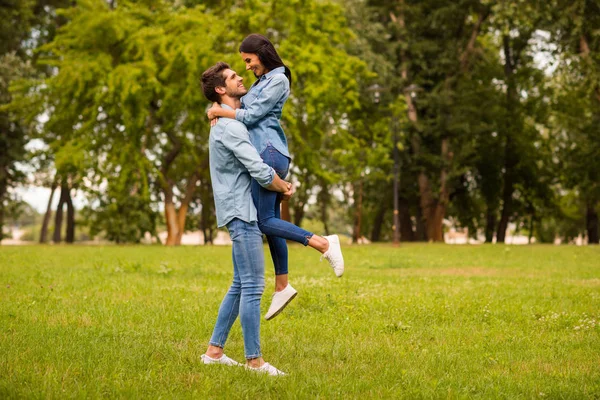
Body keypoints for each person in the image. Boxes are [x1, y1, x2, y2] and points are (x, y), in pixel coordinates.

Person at [207, 34, 344, 321]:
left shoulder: (279, 80)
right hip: (263, 152)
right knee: (270, 222)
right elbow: (240, 109)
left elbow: (252, 115)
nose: (246, 67)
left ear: (261, 53)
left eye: (248, 60)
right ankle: (282, 285)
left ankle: (323, 243)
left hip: (269, 151)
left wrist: (221, 110)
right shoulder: (262, 82)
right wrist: (218, 108)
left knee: (263, 221)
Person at [200, 62, 291, 376]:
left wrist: (214, 110)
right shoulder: (231, 127)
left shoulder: (224, 121)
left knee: (240, 284)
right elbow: (260, 171)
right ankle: (255, 361)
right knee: (253, 286)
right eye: (233, 77)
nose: (241, 77)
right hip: (241, 211)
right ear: (221, 90)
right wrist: (284, 186)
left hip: (238, 209)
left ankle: (214, 352)